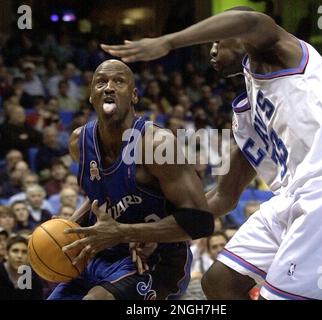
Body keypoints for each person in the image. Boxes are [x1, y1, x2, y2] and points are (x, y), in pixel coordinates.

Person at [102, 7, 322, 300]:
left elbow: (250, 19)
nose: (212, 50)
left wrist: (168, 42)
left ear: (241, 38)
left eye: (218, 41)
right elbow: (222, 197)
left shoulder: (284, 55)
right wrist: (155, 234)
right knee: (220, 282)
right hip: (293, 195)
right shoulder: (249, 115)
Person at [48, 59, 214, 300]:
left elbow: (200, 222)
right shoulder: (79, 143)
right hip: (101, 253)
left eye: (119, 81)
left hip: (156, 262)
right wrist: (71, 224)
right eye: (101, 82)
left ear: (134, 95)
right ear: (91, 97)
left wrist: (127, 233)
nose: (109, 87)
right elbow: (102, 193)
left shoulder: (157, 144)